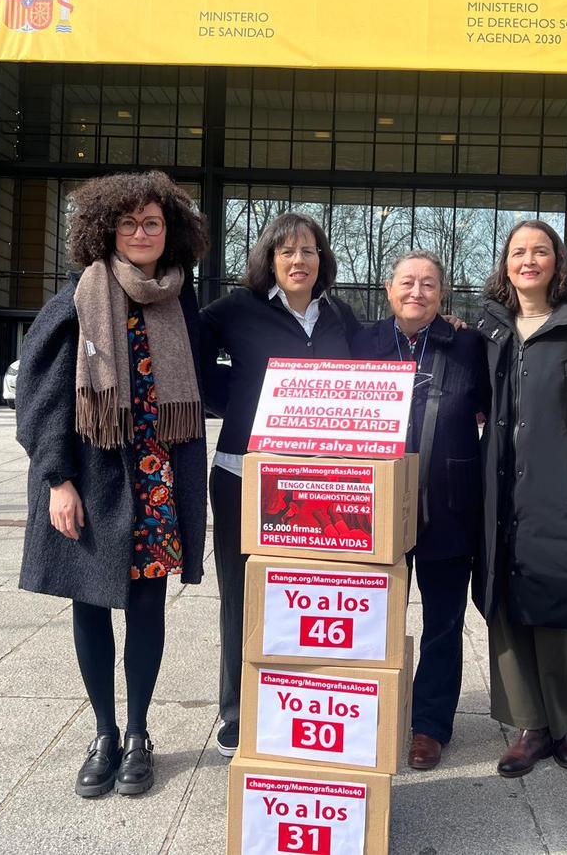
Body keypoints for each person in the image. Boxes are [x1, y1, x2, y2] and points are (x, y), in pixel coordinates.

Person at [15, 171, 209, 798]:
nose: (142, 232)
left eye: (152, 222)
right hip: (93, 479)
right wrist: (56, 480)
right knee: (91, 604)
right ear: (107, 229)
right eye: (129, 223)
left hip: (158, 480)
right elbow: (41, 400)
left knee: (148, 608)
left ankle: (139, 731)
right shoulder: (80, 295)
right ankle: (102, 730)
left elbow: (209, 380)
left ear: (169, 229)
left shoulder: (182, 299)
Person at [199, 213, 362, 757]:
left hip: (318, 483)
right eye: (287, 251)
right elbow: (189, 360)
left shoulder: (340, 316)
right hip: (244, 474)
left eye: (309, 250)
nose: (299, 260)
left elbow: (372, 368)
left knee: (305, 598)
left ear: (323, 260)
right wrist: (240, 398)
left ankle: (299, 698)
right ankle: (237, 710)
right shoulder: (236, 310)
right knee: (242, 597)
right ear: (269, 259)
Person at [473, 220, 567, 780]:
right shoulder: (486, 329)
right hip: (498, 481)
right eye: (518, 251)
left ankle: (562, 721)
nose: (529, 260)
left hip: (559, 481)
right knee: (505, 597)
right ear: (505, 263)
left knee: (556, 595)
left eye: (541, 251)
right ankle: (527, 725)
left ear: (559, 261)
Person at [350, 250, 489, 770]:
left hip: (449, 507)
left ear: (443, 294)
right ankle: (369, 716)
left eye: (429, 283)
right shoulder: (362, 343)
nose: (417, 291)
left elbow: (494, 412)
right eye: (407, 282)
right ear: (389, 290)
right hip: (372, 510)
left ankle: (430, 725)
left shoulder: (467, 344)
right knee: (371, 620)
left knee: (443, 623)